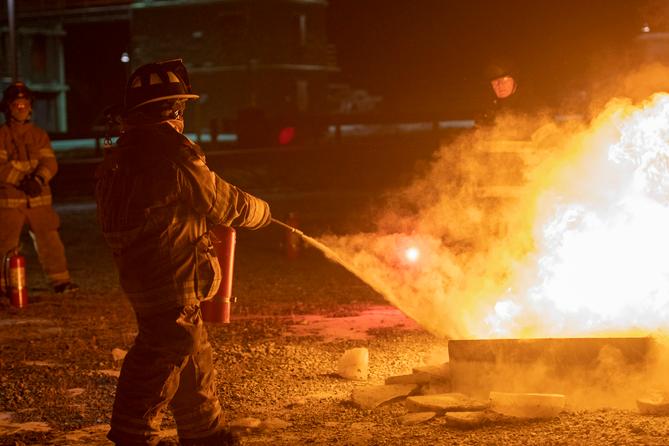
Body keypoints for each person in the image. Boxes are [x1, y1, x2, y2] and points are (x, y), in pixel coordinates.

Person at [95, 59, 272, 446]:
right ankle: (132, 435)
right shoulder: (174, 152)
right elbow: (222, 203)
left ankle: (205, 433)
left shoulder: (121, 153)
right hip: (173, 274)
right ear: (174, 109)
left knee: (192, 351)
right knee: (161, 354)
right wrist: (262, 212)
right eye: (180, 109)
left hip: (140, 274)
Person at [0, 81, 79, 294]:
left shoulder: (39, 135)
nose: (21, 108)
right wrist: (21, 180)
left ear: (30, 106)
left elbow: (50, 163)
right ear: (7, 107)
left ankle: (60, 281)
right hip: (10, 201)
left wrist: (38, 180)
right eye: (16, 104)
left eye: (24, 103)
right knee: (5, 244)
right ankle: (4, 285)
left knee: (50, 241)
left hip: (38, 199)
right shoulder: (2, 135)